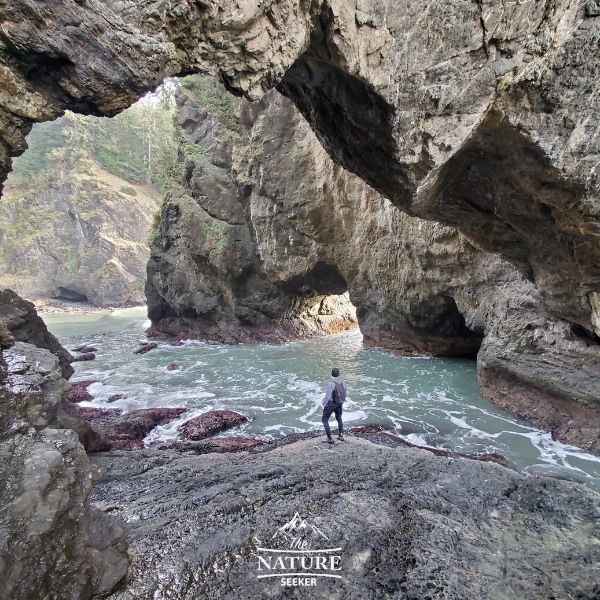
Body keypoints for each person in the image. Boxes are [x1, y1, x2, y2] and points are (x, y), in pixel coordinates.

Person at [321, 367, 346, 445]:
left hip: (331, 404)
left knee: (325, 419)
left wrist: (323, 404)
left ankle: (329, 438)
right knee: (339, 418)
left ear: (331, 374)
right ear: (338, 374)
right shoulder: (342, 381)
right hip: (339, 403)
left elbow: (328, 396)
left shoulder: (331, 383)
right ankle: (341, 435)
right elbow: (345, 391)